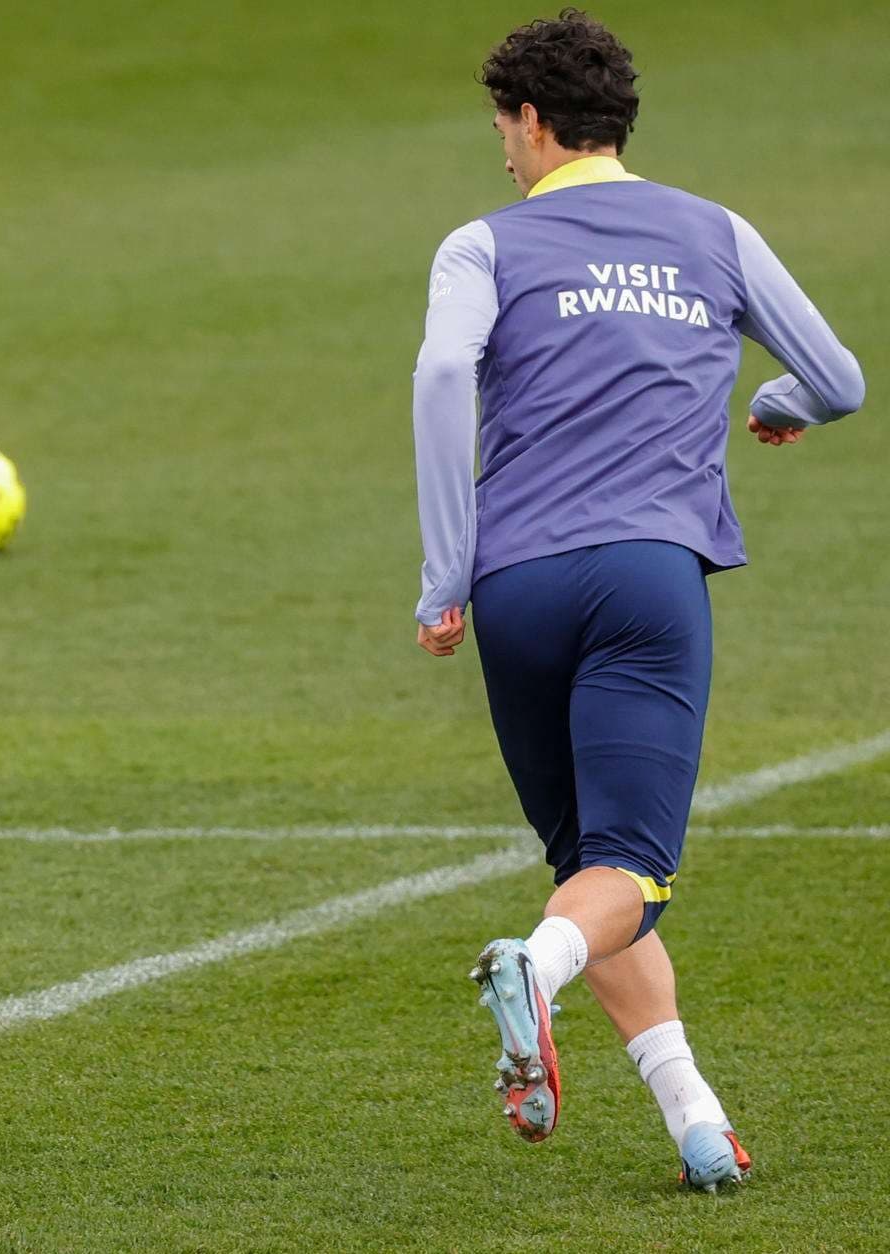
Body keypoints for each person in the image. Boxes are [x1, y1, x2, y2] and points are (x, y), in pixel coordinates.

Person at [412, 10, 865, 1191]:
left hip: (515, 588)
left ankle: (698, 1126)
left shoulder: (483, 245)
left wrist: (441, 577)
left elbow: (445, 372)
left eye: (504, 128)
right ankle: (534, 969)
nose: (502, 152)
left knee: (590, 876)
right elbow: (840, 378)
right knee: (628, 874)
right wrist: (780, 410)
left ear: (533, 120)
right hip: (647, 583)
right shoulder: (716, 232)